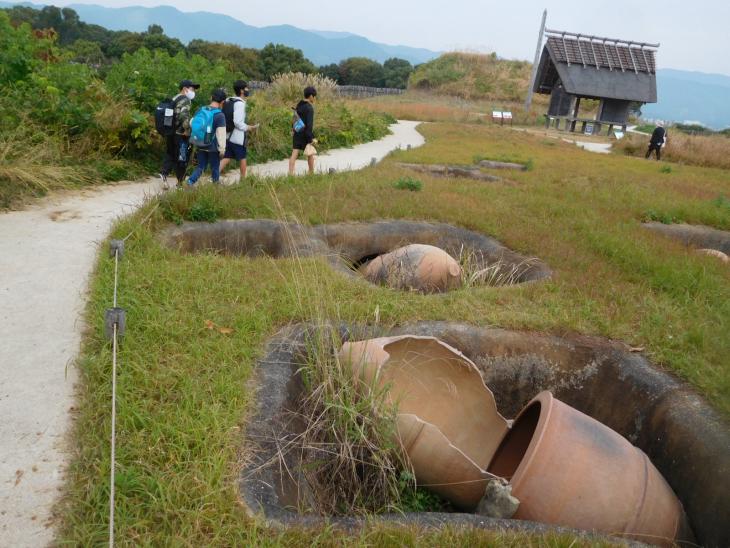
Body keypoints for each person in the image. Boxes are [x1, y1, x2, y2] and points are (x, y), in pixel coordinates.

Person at [160, 79, 199, 189]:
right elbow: (183, 115)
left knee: (170, 154)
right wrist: (187, 129)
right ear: (185, 89)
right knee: (182, 157)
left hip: (170, 132)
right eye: (192, 88)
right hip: (180, 134)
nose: (194, 91)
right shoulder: (186, 100)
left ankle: (164, 174)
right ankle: (180, 183)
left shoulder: (175, 98)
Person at [187, 89, 227, 186]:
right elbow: (221, 134)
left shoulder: (201, 109)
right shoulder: (219, 115)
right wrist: (222, 150)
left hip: (200, 143)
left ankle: (190, 182)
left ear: (211, 98)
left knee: (201, 167)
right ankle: (215, 186)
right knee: (215, 167)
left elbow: (192, 122)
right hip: (212, 146)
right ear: (222, 102)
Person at [220, 80, 259, 180]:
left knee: (227, 157)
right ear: (242, 90)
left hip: (228, 134)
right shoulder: (240, 104)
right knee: (242, 157)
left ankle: (213, 176)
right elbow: (237, 122)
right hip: (237, 136)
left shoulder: (229, 100)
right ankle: (243, 180)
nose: (248, 90)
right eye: (246, 88)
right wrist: (248, 127)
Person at [288, 86, 317, 176]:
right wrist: (311, 138)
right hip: (305, 134)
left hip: (297, 132)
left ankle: (290, 174)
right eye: (314, 96)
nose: (315, 98)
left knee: (294, 153)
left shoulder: (299, 105)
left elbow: (295, 118)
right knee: (310, 153)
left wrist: (293, 129)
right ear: (311, 96)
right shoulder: (309, 108)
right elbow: (309, 125)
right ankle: (311, 173)